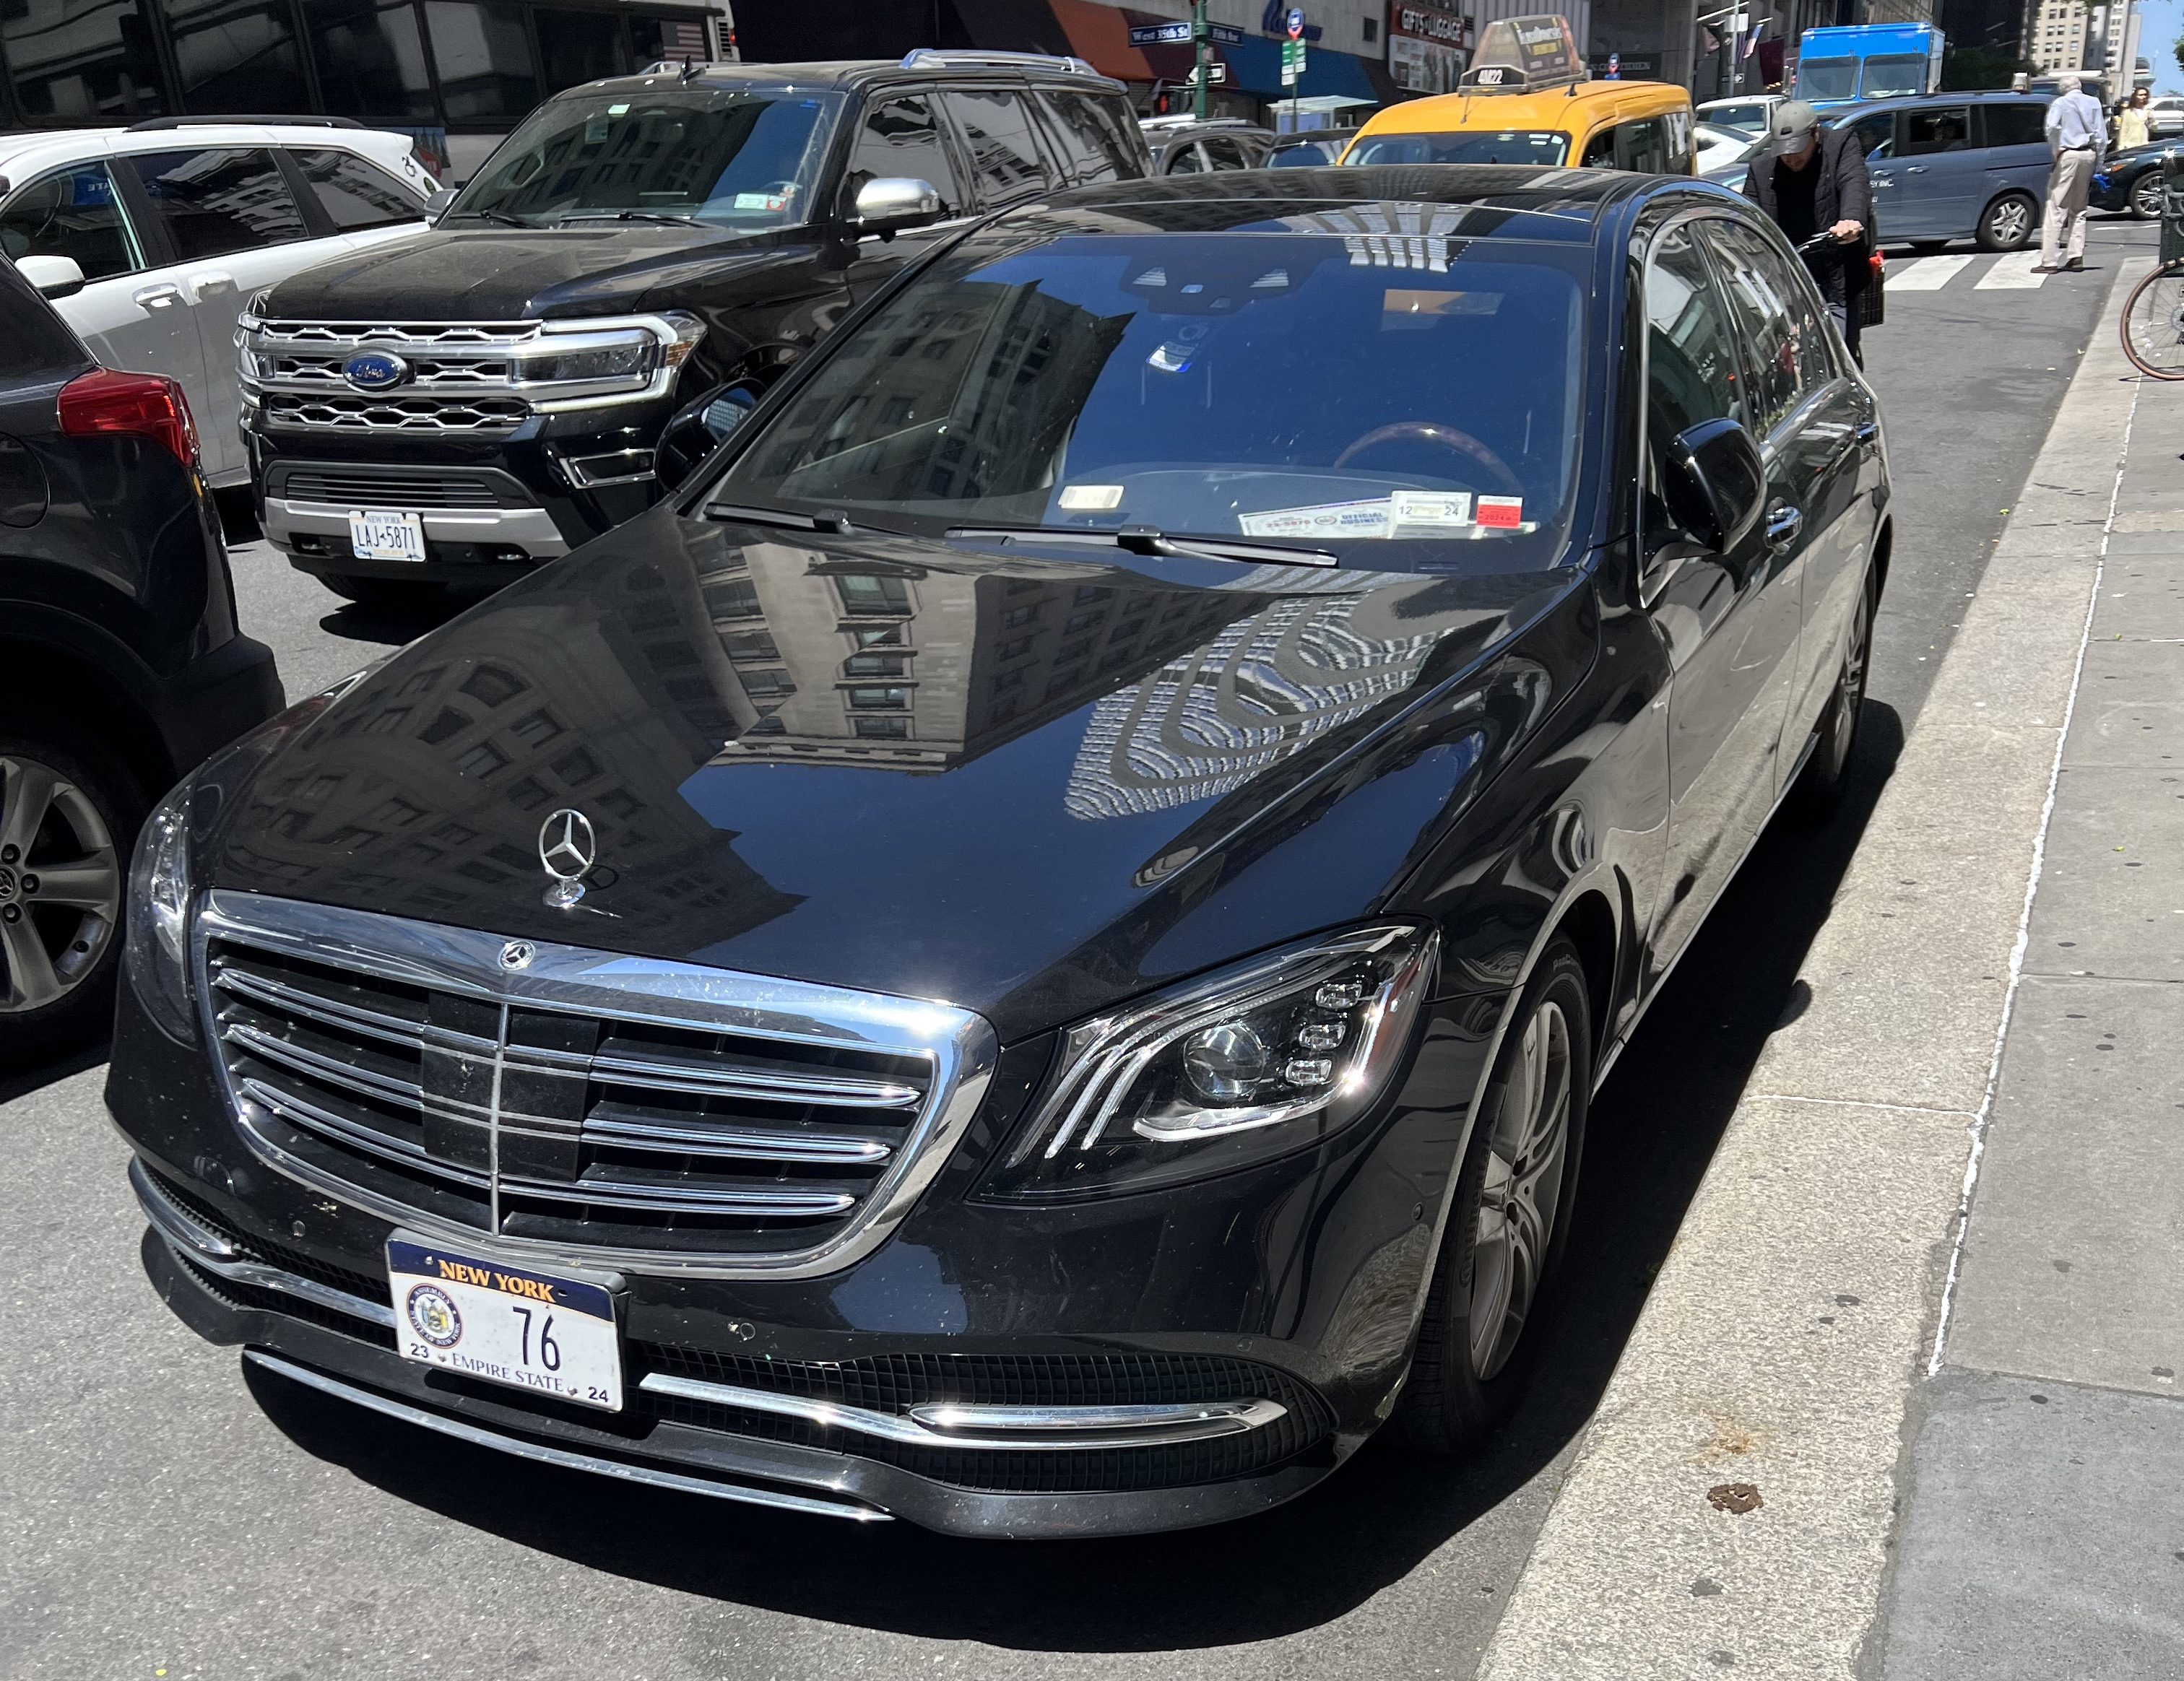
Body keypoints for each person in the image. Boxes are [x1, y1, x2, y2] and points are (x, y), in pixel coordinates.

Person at [1743, 100, 1873, 365]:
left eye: (1797, 149)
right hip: (1788, 280)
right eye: (1784, 152)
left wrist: (1850, 220)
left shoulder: (1839, 145)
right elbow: (1749, 222)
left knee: (1840, 354)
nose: (1791, 158)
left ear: (1815, 134)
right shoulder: (1762, 170)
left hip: (1837, 273)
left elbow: (1854, 182)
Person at [2040, 72, 2106, 273]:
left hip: (2068, 153)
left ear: (2063, 89)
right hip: (2089, 154)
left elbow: (2052, 127)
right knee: (2079, 208)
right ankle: (2076, 256)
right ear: (2080, 86)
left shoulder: (2060, 103)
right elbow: (2101, 137)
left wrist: (2057, 150)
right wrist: (2099, 164)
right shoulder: (2094, 102)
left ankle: (2049, 260)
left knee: (2056, 206)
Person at [2117, 86, 2152, 151]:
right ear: (2135, 96)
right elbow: (2124, 130)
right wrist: (2121, 146)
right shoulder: (2128, 112)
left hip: (2144, 145)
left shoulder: (2147, 111)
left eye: (2145, 95)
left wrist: (2151, 118)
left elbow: (2154, 128)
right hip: (2130, 146)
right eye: (2141, 95)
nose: (2144, 97)